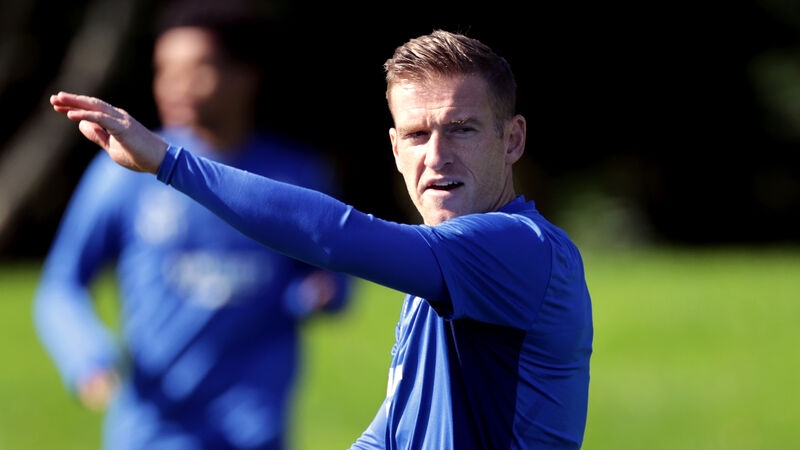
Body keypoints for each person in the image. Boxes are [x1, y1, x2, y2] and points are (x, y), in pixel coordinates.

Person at [51, 29, 594, 449]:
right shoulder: (440, 269)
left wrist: (170, 164)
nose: (435, 156)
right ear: (395, 149)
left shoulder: (519, 247)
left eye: (462, 128)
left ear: (512, 139)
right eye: (416, 135)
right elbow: (394, 432)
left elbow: (338, 236)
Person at [34, 2, 350, 449]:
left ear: (246, 75)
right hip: (153, 429)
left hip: (255, 430)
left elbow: (333, 275)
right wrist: (88, 358)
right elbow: (61, 283)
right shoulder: (125, 169)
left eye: (197, 69)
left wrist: (321, 293)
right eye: (165, 70)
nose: (176, 85)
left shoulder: (292, 177)